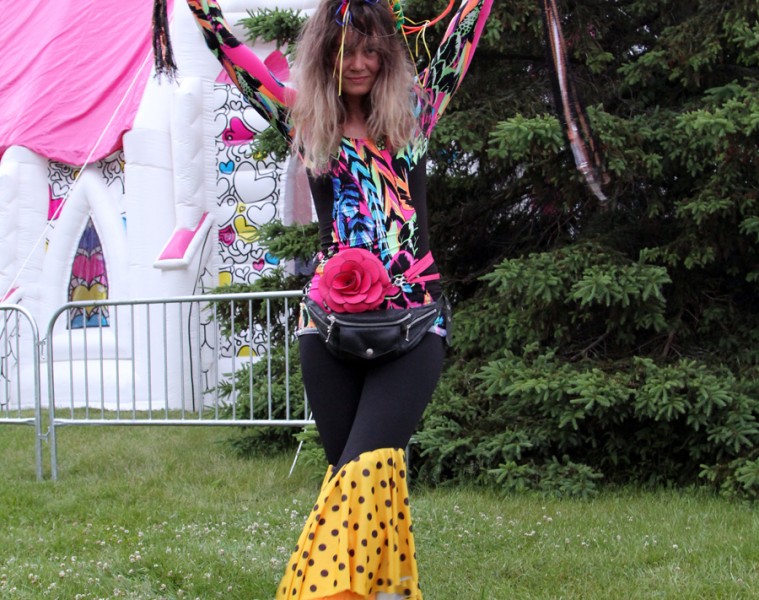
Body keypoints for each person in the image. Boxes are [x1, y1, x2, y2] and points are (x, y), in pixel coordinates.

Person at [184, 0, 492, 597]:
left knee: (366, 471)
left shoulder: (415, 114)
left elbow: (465, 30)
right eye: (347, 49)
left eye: (372, 50)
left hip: (414, 323)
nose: (360, 63)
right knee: (362, 489)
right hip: (327, 329)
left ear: (388, 55)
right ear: (326, 52)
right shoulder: (305, 123)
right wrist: (200, 9)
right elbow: (233, 54)